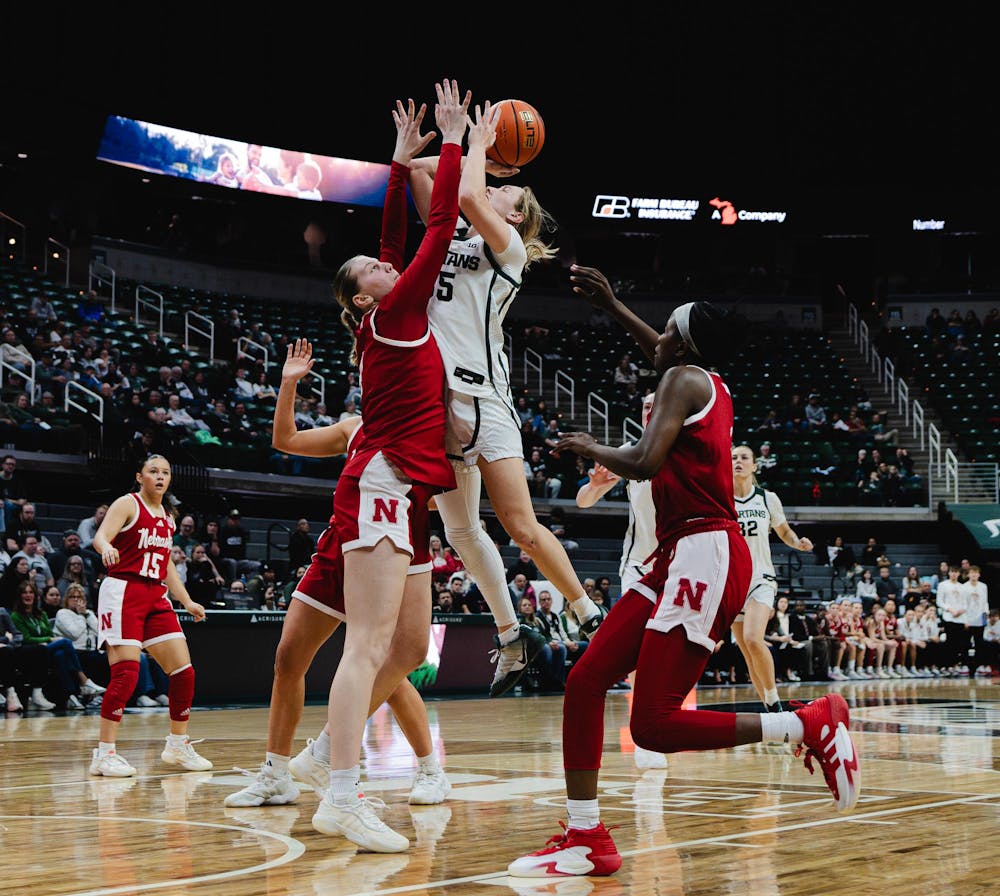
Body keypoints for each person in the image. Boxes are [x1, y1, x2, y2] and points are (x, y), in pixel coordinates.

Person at [508, 265, 859, 880]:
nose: (659, 336)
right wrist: (614, 307)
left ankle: (803, 723)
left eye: (668, 329)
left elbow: (645, 461)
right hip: (677, 552)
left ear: (685, 344)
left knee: (653, 725)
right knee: (586, 679)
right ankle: (586, 836)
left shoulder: (683, 379)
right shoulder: (699, 379)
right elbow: (663, 352)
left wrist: (590, 447)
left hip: (705, 550)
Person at [312, 82, 471, 852]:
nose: (383, 264)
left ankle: (327, 757)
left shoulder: (389, 311)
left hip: (404, 488)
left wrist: (397, 164)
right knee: (367, 645)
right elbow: (438, 227)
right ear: (361, 298)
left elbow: (395, 239)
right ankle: (342, 793)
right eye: (370, 269)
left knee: (403, 648)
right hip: (380, 481)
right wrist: (453, 141)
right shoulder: (399, 313)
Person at [407, 104, 603, 700]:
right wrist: (465, 154)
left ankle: (587, 613)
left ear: (516, 216)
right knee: (462, 532)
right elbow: (419, 172)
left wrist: (474, 147)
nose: (492, 188)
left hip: (486, 401)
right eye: (493, 183)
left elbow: (467, 193)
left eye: (504, 191)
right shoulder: (451, 229)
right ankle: (513, 633)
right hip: (438, 403)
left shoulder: (509, 246)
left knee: (519, 524)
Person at [225, 344, 450, 813]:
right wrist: (288, 383)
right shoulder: (353, 428)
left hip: (399, 545)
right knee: (288, 656)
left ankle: (430, 768)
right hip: (342, 542)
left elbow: (439, 499)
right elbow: (286, 439)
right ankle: (276, 776)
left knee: (390, 669)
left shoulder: (426, 430)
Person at [89, 454, 212, 777]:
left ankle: (177, 744)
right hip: (123, 591)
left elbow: (166, 562)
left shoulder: (168, 516)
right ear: (139, 476)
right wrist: (106, 548)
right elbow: (100, 536)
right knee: (126, 674)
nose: (160, 476)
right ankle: (104, 754)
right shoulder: (128, 503)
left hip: (155, 594)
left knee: (183, 672)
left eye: (165, 472)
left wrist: (187, 600)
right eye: (153, 471)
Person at [575, 392, 665, 769]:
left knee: (665, 653)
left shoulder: (685, 451)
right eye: (645, 405)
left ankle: (660, 723)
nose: (649, 410)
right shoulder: (628, 451)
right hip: (639, 568)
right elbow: (583, 501)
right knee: (642, 651)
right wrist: (596, 484)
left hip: (680, 565)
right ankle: (645, 736)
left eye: (656, 404)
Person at [730, 445, 814, 711]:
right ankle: (769, 706)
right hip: (732, 583)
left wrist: (797, 542)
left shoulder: (767, 498)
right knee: (747, 652)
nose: (738, 461)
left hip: (761, 577)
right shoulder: (720, 499)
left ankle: (775, 701)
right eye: (733, 458)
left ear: (754, 466)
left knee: (754, 638)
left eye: (744, 457)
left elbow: (784, 531)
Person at [10, 579, 106, 710]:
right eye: (25, 592)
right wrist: (47, 639)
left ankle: (71, 696)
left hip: (47, 650)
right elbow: (25, 638)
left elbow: (100, 631)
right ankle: (84, 681)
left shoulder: (41, 614)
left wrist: (86, 614)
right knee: (66, 643)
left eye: (31, 592)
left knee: (60, 655)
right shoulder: (16, 616)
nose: (28, 595)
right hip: (30, 651)